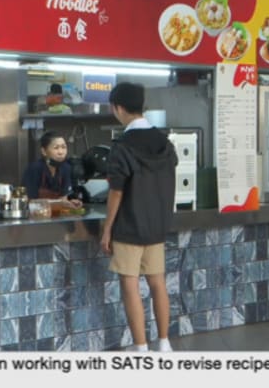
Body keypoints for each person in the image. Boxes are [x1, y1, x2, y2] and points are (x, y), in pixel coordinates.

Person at [101, 82, 177, 352]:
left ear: (118, 108)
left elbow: (116, 192)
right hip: (156, 226)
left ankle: (141, 347)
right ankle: (164, 342)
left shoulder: (122, 146)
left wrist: (107, 228)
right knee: (158, 284)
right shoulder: (165, 144)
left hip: (130, 226)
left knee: (130, 285)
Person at [22, 131, 82, 207]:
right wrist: (59, 203)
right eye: (56, 148)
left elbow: (63, 198)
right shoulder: (35, 168)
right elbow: (29, 201)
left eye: (64, 147)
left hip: (57, 216)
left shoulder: (66, 168)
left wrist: (70, 203)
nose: (61, 152)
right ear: (44, 151)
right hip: (36, 215)